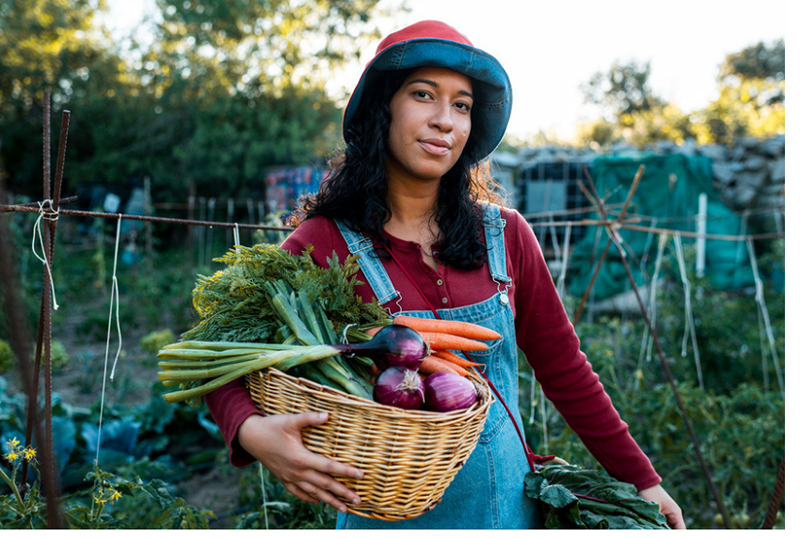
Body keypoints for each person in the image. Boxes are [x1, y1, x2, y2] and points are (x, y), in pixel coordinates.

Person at [204, 20, 685, 530]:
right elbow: (221, 350)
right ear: (382, 107)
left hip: (506, 514)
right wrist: (253, 432)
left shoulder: (505, 236)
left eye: (461, 105)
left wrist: (642, 481)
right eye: (423, 95)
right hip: (381, 518)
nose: (445, 121)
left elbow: (565, 370)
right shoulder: (325, 241)